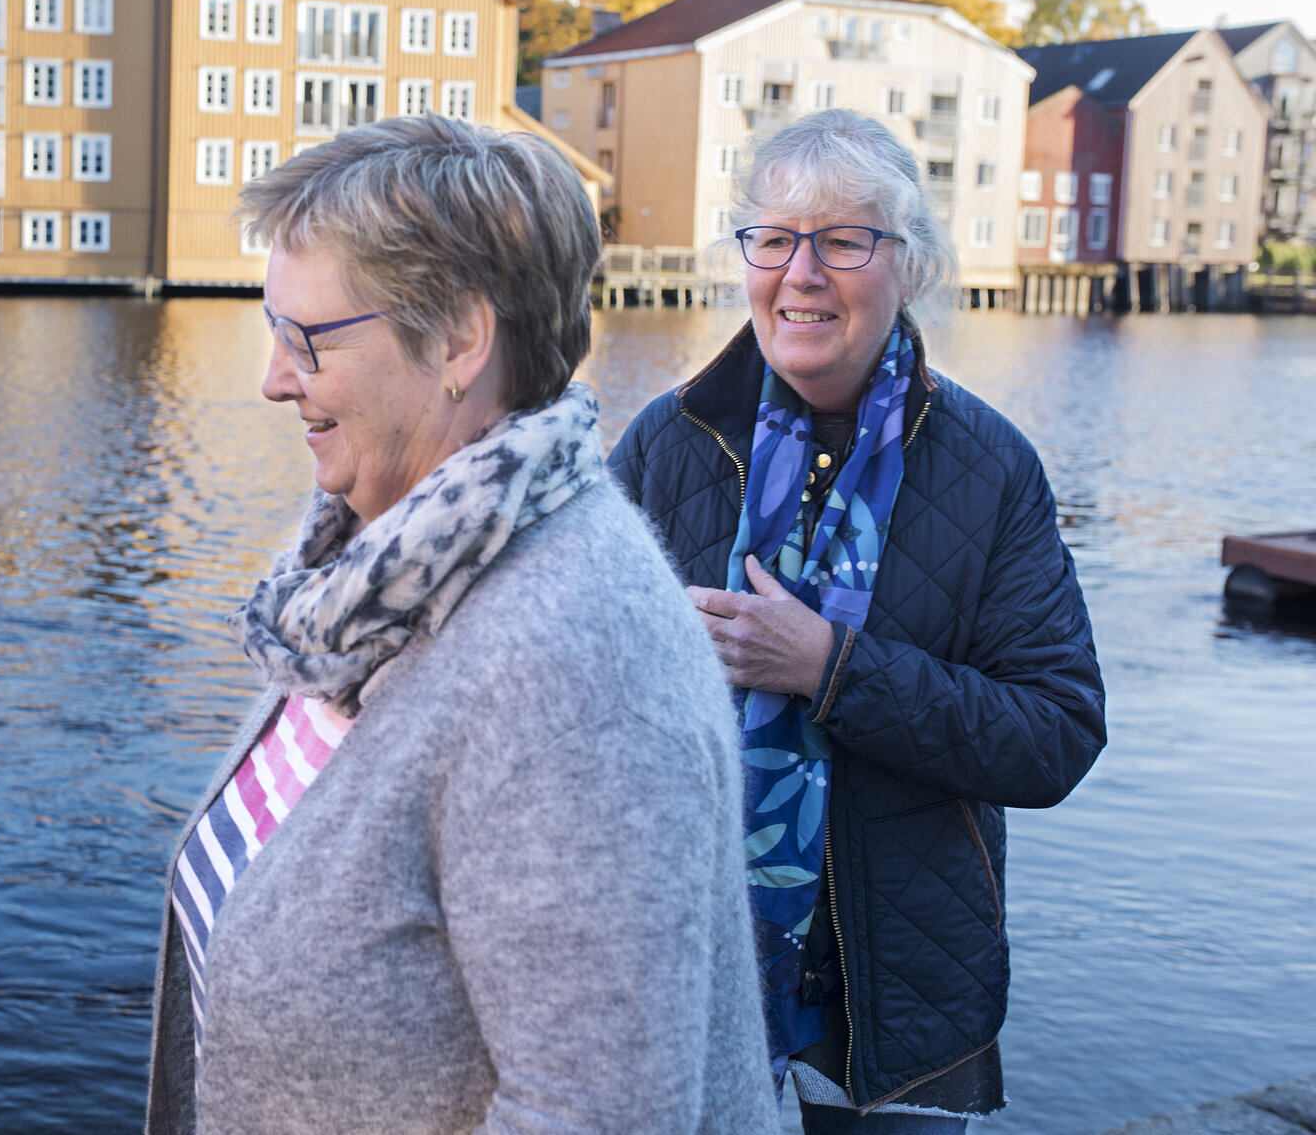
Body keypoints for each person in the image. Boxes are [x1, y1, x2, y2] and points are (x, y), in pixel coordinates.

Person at [144, 115, 773, 1135]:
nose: (271, 377)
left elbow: (595, 1114)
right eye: (273, 328)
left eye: (306, 339)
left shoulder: (576, 665)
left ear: (457, 340)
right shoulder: (374, 574)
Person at [607, 108, 1107, 1130]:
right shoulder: (665, 443)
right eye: (774, 239)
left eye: (842, 241)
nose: (800, 274)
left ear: (909, 266)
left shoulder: (989, 467)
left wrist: (830, 667)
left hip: (901, 1010)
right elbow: (581, 711)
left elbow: (1054, 735)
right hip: (686, 985)